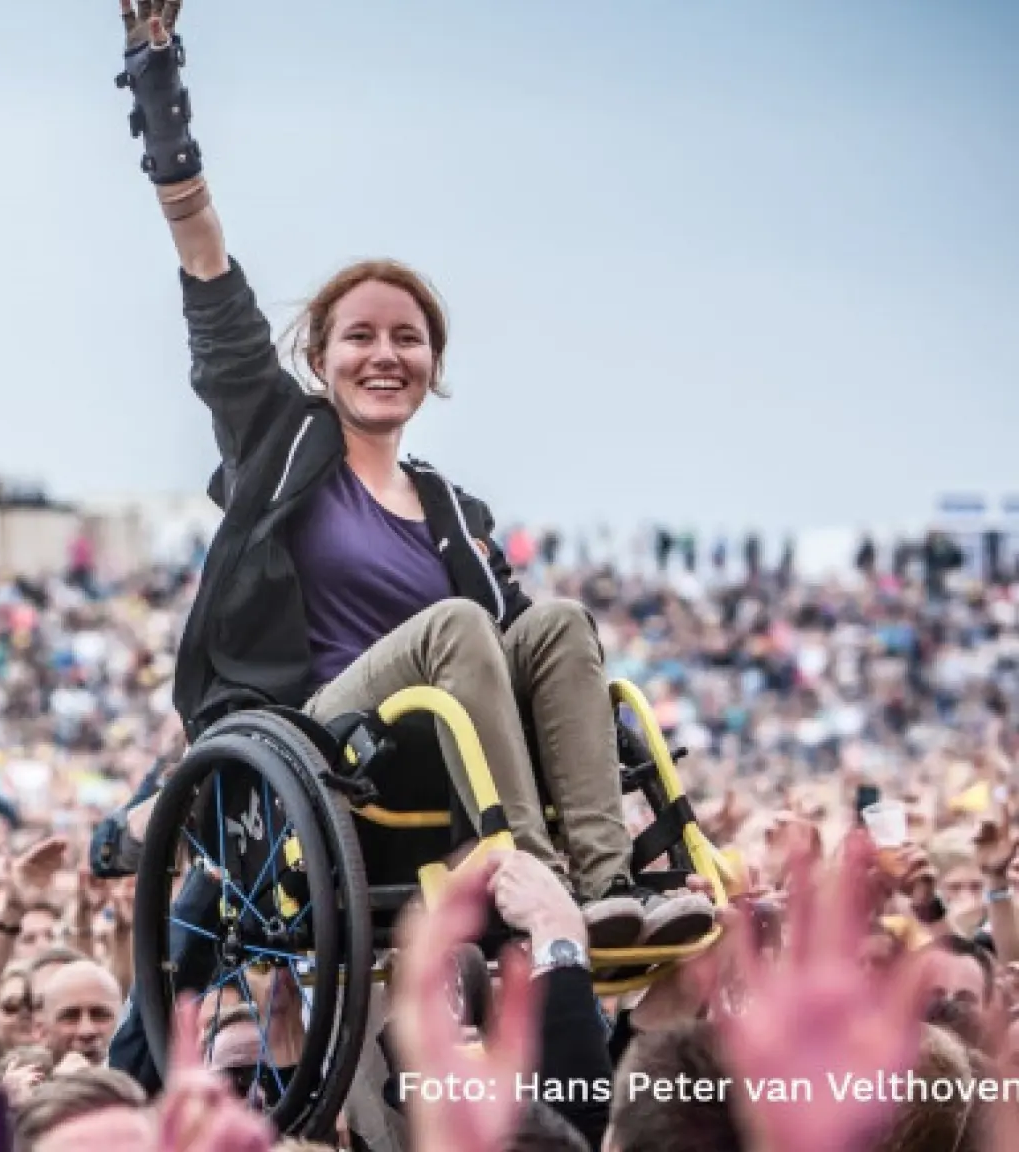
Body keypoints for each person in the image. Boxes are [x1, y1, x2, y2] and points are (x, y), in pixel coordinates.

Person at [113, 0, 710, 946]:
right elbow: (207, 268)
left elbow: (521, 652)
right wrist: (158, 80)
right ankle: (533, 874)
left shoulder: (452, 510)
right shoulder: (279, 439)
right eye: (360, 336)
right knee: (455, 625)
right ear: (320, 357)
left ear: (434, 364)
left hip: (455, 748)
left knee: (551, 620)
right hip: (327, 742)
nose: (384, 354)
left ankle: (607, 881)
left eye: (408, 338)